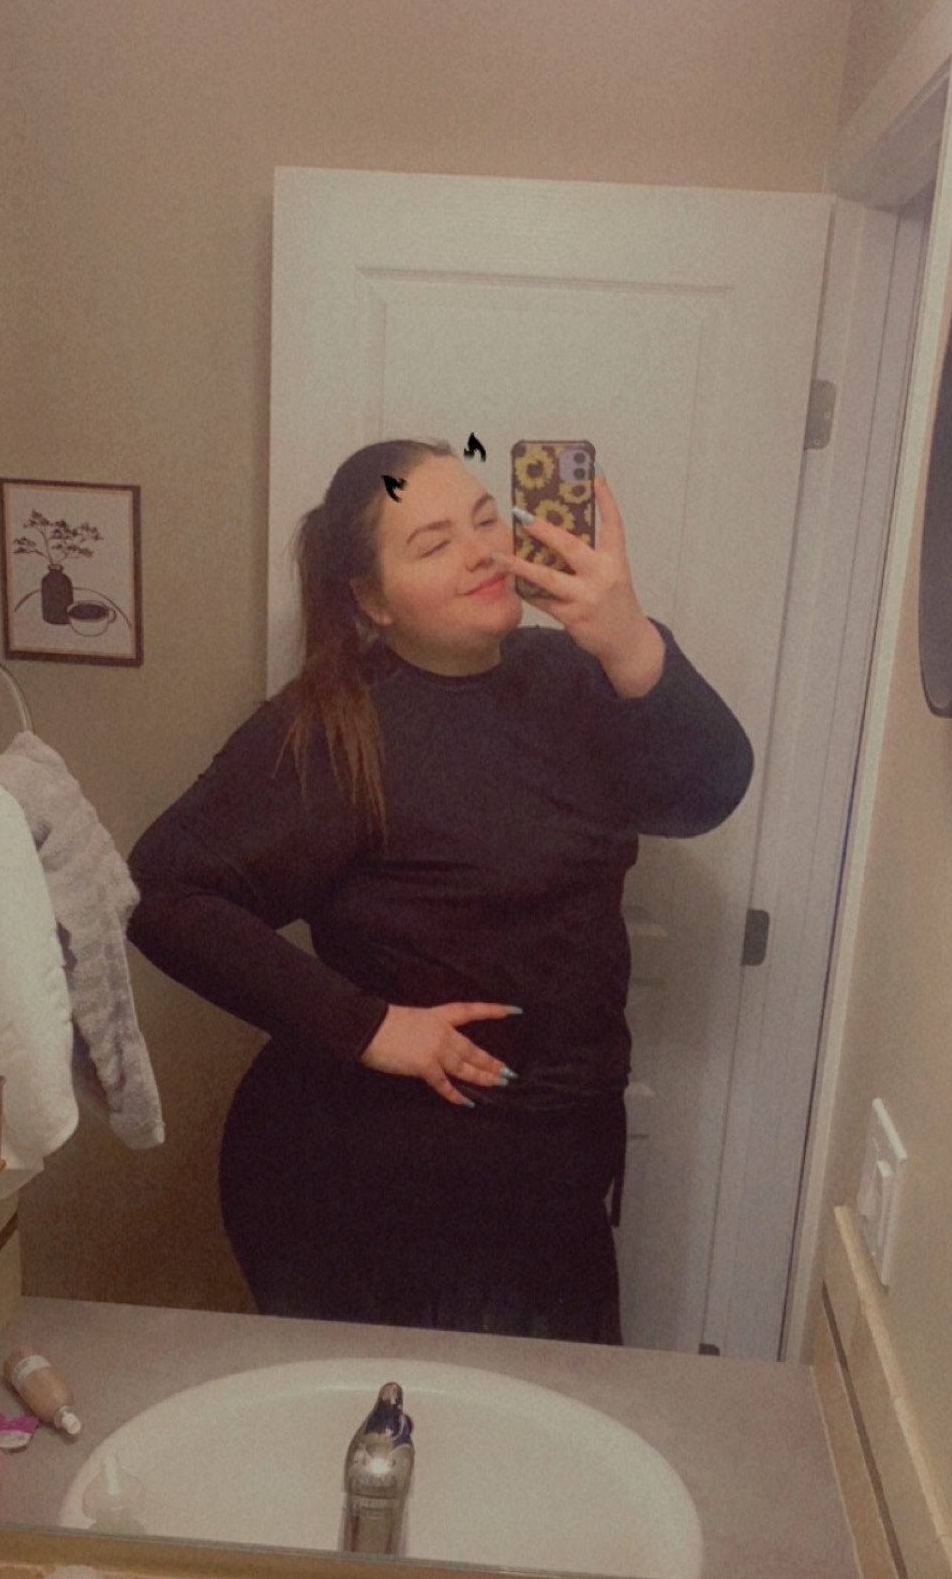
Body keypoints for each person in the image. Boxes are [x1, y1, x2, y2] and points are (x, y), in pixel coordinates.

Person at [126, 439, 753, 1343]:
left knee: (549, 1415)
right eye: (433, 543)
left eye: (486, 520)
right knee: (391, 1425)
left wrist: (631, 641)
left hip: (555, 1173)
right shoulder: (335, 726)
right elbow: (162, 890)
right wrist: (369, 1025)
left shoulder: (573, 677)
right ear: (372, 601)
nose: (481, 552)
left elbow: (709, 793)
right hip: (368, 1184)